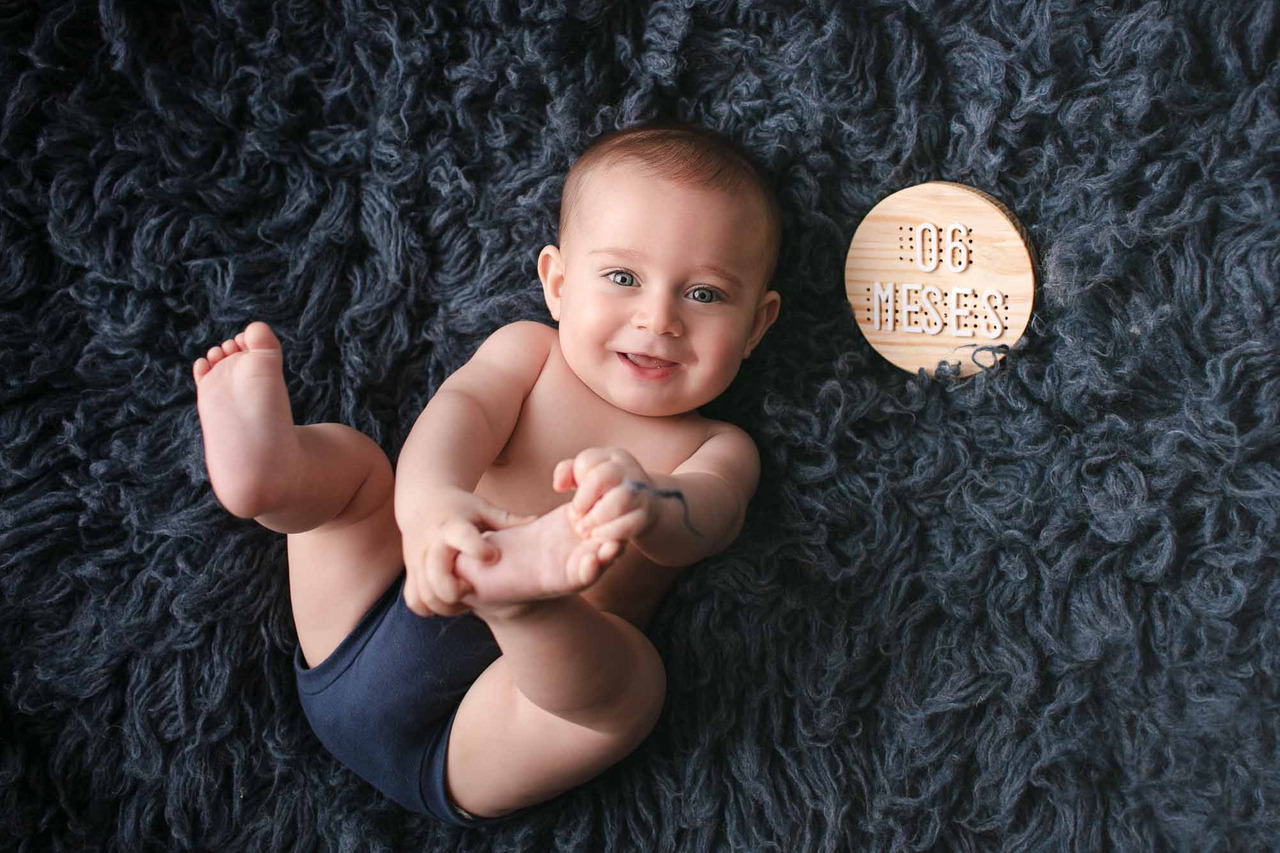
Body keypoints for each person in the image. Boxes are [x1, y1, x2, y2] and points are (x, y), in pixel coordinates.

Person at [191, 121, 782, 825]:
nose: (659, 319)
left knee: (629, 694)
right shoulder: (528, 353)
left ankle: (521, 600)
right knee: (357, 474)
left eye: (706, 295)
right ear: (558, 285)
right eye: (622, 277)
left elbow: (709, 516)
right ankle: (274, 475)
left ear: (756, 325)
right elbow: (457, 417)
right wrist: (433, 505)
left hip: (480, 730)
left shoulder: (717, 445)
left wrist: (649, 501)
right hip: (381, 605)